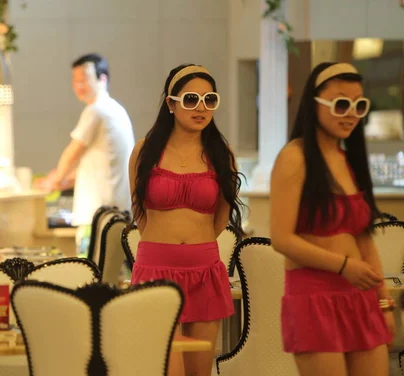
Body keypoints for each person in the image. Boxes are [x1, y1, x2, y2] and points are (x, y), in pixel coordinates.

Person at [270, 62, 394, 376]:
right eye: (341, 104)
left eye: (358, 105)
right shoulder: (294, 158)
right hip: (314, 299)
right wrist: (342, 266)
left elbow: (363, 239)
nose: (351, 113)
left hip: (362, 298)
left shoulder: (348, 161)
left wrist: (383, 300)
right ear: (315, 104)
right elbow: (282, 239)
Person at [129, 64, 244, 376]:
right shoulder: (146, 150)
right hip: (155, 267)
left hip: (204, 269)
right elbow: (138, 210)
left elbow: (221, 215)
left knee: (199, 370)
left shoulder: (221, 153)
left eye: (210, 100)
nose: (201, 108)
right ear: (171, 103)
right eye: (191, 99)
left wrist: (195, 244)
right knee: (165, 368)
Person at [35, 54, 135, 255]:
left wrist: (53, 181)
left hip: (97, 217)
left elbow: (72, 152)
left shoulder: (96, 110)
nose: (79, 86)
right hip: (118, 214)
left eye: (84, 80)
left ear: (102, 79)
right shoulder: (116, 110)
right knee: (115, 276)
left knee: (92, 276)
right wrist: (61, 180)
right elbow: (99, 166)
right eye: (75, 81)